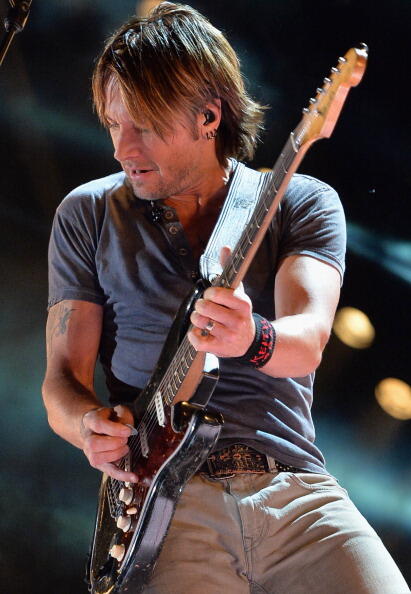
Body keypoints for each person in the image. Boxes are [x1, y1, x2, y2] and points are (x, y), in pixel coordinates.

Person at [41, 3, 410, 593]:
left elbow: (310, 339)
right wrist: (87, 424)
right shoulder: (87, 213)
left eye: (142, 124)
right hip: (165, 504)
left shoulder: (300, 202)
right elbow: (61, 378)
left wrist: (251, 338)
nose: (120, 146)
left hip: (297, 494)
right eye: (113, 123)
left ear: (208, 115)